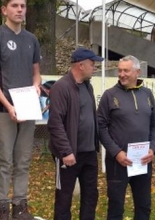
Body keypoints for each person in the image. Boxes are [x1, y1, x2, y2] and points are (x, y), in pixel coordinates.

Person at [0, 0, 41, 219]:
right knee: (4, 160)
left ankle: (20, 205)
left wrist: (36, 86)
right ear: (4, 10)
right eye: (14, 5)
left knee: (23, 159)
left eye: (23, 6)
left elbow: (36, 73)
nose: (19, 10)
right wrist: (8, 105)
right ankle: (2, 207)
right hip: (3, 108)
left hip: (27, 108)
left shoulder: (31, 39)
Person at [97, 55, 155, 220]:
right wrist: (116, 152)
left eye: (126, 70)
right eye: (119, 70)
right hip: (119, 163)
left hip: (143, 161)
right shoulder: (109, 95)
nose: (122, 74)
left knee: (144, 206)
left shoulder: (147, 94)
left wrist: (153, 149)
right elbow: (100, 127)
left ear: (137, 72)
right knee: (116, 207)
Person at [47, 48, 103, 220]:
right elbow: (55, 123)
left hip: (89, 153)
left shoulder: (88, 87)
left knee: (91, 195)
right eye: (92, 64)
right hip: (69, 156)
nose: (94, 68)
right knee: (64, 199)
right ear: (81, 65)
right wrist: (66, 152)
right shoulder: (61, 87)